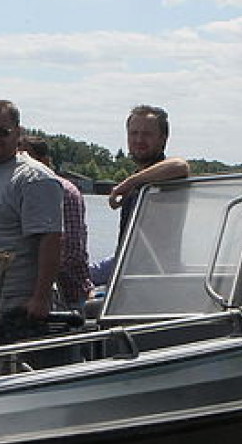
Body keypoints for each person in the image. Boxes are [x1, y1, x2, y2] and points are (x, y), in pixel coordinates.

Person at [0, 100, 64, 333]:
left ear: (18, 133)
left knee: (2, 369)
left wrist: (40, 298)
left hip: (13, 300)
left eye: (2, 132)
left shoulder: (34, 178)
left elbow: (51, 239)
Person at [90, 104, 189, 284]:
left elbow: (181, 166)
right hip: (127, 272)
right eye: (133, 133)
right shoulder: (140, 178)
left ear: (163, 138)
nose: (139, 139)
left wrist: (130, 183)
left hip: (156, 278)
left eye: (147, 134)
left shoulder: (167, 179)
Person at [20, 135, 92, 311]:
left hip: (69, 298)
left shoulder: (66, 192)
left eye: (27, 158)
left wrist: (32, 271)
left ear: (44, 161)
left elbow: (72, 252)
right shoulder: (19, 190)